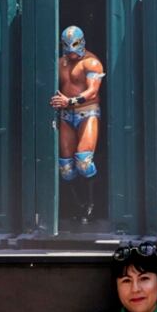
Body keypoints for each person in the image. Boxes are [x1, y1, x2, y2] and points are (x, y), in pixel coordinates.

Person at [50, 25, 105, 224]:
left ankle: (93, 204)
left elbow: (92, 91)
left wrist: (70, 101)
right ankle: (76, 204)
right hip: (65, 115)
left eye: (74, 46)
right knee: (66, 167)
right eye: (67, 46)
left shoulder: (92, 62)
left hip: (87, 111)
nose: (71, 52)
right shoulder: (60, 62)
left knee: (84, 161)